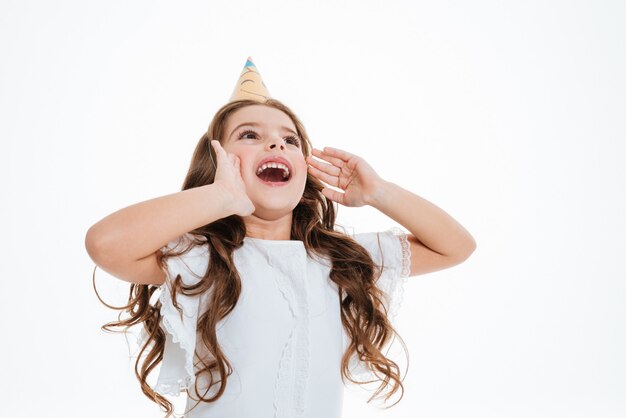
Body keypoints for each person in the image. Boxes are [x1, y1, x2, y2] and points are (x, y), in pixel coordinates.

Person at [85, 57, 476, 418]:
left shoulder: (339, 261)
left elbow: (456, 246)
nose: (276, 144)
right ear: (218, 162)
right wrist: (219, 198)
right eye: (250, 135)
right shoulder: (202, 258)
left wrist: (379, 192)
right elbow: (105, 244)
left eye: (290, 140)